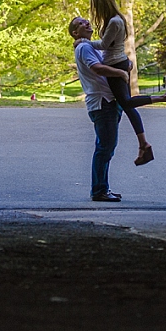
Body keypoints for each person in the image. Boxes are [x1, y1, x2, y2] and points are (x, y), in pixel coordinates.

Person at [78, 0, 166, 166]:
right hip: (119, 62)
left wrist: (84, 41)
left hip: (115, 65)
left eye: (96, 7)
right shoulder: (114, 20)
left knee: (127, 102)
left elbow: (104, 45)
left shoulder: (114, 21)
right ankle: (143, 144)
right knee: (127, 105)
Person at [69, 16, 127, 202]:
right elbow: (97, 68)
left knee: (107, 147)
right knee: (104, 148)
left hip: (108, 100)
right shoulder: (84, 48)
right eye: (80, 23)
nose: (86, 23)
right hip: (101, 102)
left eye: (86, 21)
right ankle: (99, 190)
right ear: (74, 33)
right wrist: (121, 72)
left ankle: (102, 188)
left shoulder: (92, 46)